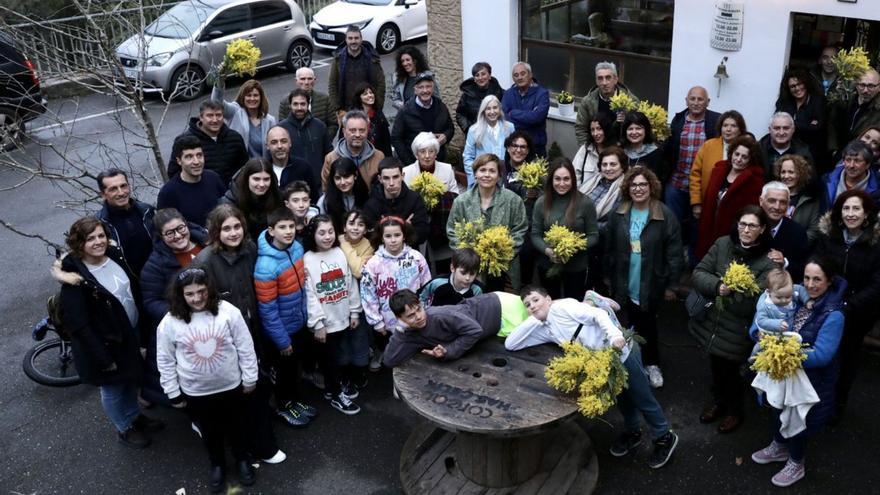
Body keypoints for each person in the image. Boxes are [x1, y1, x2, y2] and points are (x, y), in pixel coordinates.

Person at [505, 286, 679, 470]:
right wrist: (536, 317)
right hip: (604, 365)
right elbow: (511, 343)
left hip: (622, 353)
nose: (532, 306)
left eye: (536, 300)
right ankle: (633, 432)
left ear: (548, 299)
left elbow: (597, 315)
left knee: (642, 398)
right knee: (623, 400)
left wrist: (614, 337)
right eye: (527, 305)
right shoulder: (545, 328)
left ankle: (664, 437)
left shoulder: (563, 308)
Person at [54, 217, 161, 449]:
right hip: (105, 345)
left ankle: (134, 416)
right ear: (78, 242)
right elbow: (80, 326)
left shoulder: (113, 256)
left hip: (127, 334)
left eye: (101, 236)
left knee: (130, 378)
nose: (98, 242)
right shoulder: (75, 279)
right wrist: (103, 358)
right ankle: (124, 427)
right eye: (90, 238)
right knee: (113, 388)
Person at [193, 204, 286, 466]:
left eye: (237, 227)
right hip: (225, 339)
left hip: (254, 329)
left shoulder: (251, 250)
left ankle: (259, 437)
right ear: (216, 231)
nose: (233, 233)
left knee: (257, 383)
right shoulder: (205, 261)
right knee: (241, 393)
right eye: (226, 228)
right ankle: (255, 446)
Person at [156, 268, 259, 492]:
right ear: (180, 294)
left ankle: (242, 459)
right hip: (196, 392)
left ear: (209, 289)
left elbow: (245, 346)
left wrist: (250, 377)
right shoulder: (169, 322)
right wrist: (173, 392)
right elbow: (165, 360)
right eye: (190, 294)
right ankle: (217, 463)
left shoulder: (228, 311)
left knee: (237, 426)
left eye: (201, 291)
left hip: (231, 385)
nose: (196, 298)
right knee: (210, 431)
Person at [750, 258, 846, 488]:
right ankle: (779, 446)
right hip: (783, 375)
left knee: (799, 422)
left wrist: (784, 354)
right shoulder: (795, 295)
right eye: (806, 278)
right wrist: (758, 334)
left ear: (829, 281)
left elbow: (823, 354)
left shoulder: (834, 314)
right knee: (777, 410)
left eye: (817, 279)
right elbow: (761, 322)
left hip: (810, 381)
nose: (810, 284)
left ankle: (796, 462)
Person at [690, 205, 776, 433]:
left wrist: (734, 292)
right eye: (743, 224)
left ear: (763, 229)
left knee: (731, 372)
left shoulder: (769, 262)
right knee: (716, 367)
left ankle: (735, 411)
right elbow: (699, 273)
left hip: (738, 329)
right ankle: (719, 403)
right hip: (713, 323)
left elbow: (751, 303)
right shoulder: (722, 244)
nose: (746, 230)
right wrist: (718, 286)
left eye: (752, 226)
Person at [606, 166, 682, 388]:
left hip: (650, 281)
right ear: (628, 188)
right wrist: (607, 276)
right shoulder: (619, 213)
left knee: (647, 324)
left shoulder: (664, 215)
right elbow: (609, 247)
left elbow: (675, 253)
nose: (638, 189)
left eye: (643, 184)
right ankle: (626, 366)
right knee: (623, 324)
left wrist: (672, 285)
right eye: (634, 185)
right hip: (623, 279)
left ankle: (652, 364)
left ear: (651, 187)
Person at [813, 190, 880, 419]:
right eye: (846, 208)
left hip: (856, 313)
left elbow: (877, 284)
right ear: (839, 213)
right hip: (826, 307)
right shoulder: (828, 236)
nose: (851, 214)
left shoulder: (876, 243)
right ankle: (816, 401)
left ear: (866, 213)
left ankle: (837, 406)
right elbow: (818, 266)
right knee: (822, 354)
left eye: (856, 208)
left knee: (847, 360)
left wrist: (848, 305)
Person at [254, 208, 316, 428]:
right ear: (271, 231)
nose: (288, 231)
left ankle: (294, 401)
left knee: (294, 369)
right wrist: (282, 340)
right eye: (282, 227)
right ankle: (282, 406)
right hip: (282, 331)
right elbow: (267, 310)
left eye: (291, 226)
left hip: (298, 322)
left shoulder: (297, 248)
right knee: (283, 372)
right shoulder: (265, 267)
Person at [302, 214, 365, 415]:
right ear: (313, 234)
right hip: (323, 323)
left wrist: (354, 312)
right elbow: (309, 294)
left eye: (330, 231)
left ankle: (332, 388)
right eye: (322, 233)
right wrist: (318, 323)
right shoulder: (308, 259)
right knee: (329, 359)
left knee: (337, 356)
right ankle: (337, 395)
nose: (327, 236)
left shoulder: (339, 252)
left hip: (342, 317)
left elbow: (350, 283)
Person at [384, 289, 529, 367]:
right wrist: (399, 331)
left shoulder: (441, 315)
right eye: (410, 316)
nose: (419, 317)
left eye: (419, 310)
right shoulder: (408, 332)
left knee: (544, 319)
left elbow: (474, 330)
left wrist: (449, 351)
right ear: (400, 318)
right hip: (494, 325)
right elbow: (390, 360)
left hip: (502, 309)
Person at [446, 153, 529, 291]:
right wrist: (470, 255)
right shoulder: (461, 201)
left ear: (499, 175)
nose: (487, 175)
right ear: (475, 174)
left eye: (492, 171)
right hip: (471, 269)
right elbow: (452, 231)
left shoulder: (513, 200)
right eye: (482, 170)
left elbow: (520, 230)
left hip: (505, 267)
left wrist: (501, 253)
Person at [360, 216, 432, 369]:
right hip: (387, 322)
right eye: (388, 236)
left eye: (397, 235)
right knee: (393, 356)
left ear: (404, 235)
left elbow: (427, 286)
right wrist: (376, 321)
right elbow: (368, 295)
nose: (393, 240)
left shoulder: (416, 258)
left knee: (416, 357)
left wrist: (425, 310)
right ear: (382, 237)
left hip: (414, 317)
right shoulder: (373, 264)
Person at [531, 157, 599, 301]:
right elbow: (535, 234)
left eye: (566, 179)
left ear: (573, 180)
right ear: (551, 180)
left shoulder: (585, 203)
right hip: (548, 266)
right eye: (557, 179)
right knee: (551, 306)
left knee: (574, 307)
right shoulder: (541, 203)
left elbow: (594, 235)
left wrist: (573, 246)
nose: (562, 183)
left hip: (576, 267)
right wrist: (548, 251)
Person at [694, 135, 765, 260]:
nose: (738, 159)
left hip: (731, 233)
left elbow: (751, 212)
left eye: (744, 157)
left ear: (750, 159)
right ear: (731, 153)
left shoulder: (754, 180)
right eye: (736, 154)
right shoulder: (718, 170)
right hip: (708, 227)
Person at [141, 208, 208, 329]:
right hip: (186, 324)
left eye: (180, 228)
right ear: (161, 236)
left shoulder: (208, 244)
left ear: (186, 225)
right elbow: (151, 302)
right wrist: (181, 313)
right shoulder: (155, 265)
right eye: (170, 233)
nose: (178, 235)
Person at [665, 86, 720, 229]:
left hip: (703, 185)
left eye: (700, 99)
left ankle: (693, 252)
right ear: (686, 101)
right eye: (692, 99)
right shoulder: (678, 120)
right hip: (677, 182)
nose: (696, 102)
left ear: (707, 102)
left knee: (698, 226)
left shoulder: (716, 121)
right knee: (672, 223)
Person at [167, 99, 249, 183]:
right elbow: (174, 173)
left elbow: (244, 168)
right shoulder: (184, 140)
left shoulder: (234, 138)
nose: (215, 120)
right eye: (210, 116)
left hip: (231, 192)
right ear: (201, 117)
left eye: (218, 115)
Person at [582, 146, 629, 292]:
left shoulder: (625, 190)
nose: (608, 168)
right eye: (604, 164)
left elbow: (613, 224)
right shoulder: (593, 181)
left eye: (613, 164)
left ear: (623, 167)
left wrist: (585, 226)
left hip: (603, 244)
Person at [95, 168, 155, 276]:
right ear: (103, 194)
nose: (121, 192)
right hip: (129, 285)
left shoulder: (147, 211)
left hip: (159, 277)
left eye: (123, 186)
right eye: (113, 189)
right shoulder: (99, 225)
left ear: (129, 186)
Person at [689, 110, 747, 219]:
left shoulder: (746, 148)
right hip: (709, 203)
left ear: (740, 130)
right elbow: (695, 175)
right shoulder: (708, 146)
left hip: (736, 206)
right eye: (725, 125)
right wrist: (696, 202)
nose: (728, 129)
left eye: (733, 126)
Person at [157, 136, 226, 228]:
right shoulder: (168, 193)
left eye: (199, 155)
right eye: (189, 157)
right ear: (179, 161)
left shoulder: (213, 178)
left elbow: (227, 210)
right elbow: (164, 229)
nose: (196, 161)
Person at [391, 71, 455, 165]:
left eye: (428, 86)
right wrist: (410, 162)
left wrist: (446, 136)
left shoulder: (441, 106)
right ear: (415, 90)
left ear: (433, 88)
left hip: (438, 161)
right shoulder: (405, 111)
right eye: (421, 87)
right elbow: (396, 138)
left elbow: (450, 128)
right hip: (414, 162)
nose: (425, 91)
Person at [364, 157, 431, 247]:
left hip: (411, 252)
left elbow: (423, 233)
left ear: (402, 176)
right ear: (380, 179)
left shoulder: (415, 199)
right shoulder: (372, 204)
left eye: (395, 177)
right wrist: (405, 227)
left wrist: (387, 230)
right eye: (386, 178)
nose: (391, 183)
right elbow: (369, 237)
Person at [501, 132, 540, 287]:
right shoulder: (500, 168)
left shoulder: (535, 172)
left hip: (526, 225)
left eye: (523, 147)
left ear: (528, 150)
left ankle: (524, 287)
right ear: (508, 148)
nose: (518, 150)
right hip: (502, 223)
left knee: (526, 252)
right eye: (514, 146)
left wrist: (535, 194)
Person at [747, 268, 808, 362]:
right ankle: (754, 361)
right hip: (769, 333)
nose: (784, 300)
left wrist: (807, 300)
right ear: (768, 292)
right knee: (759, 347)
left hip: (788, 335)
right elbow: (761, 320)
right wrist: (777, 324)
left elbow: (800, 290)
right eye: (779, 297)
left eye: (788, 296)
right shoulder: (765, 305)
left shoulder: (788, 289)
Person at [575, 61, 639, 146]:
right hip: (597, 149)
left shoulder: (631, 101)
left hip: (624, 149)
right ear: (596, 81)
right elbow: (581, 128)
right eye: (600, 78)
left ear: (615, 79)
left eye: (608, 78)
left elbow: (640, 128)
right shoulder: (587, 102)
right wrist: (588, 149)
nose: (604, 83)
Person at [211, 78, 276, 158]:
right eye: (248, 95)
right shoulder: (235, 112)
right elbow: (216, 103)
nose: (252, 99)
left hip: (262, 168)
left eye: (255, 95)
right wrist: (219, 82)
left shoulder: (270, 120)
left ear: (261, 98)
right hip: (239, 167)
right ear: (243, 97)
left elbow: (274, 148)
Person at [321, 110, 385, 192]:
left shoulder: (378, 156)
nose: (357, 135)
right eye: (353, 130)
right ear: (344, 132)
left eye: (362, 130)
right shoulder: (331, 158)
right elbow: (326, 189)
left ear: (367, 131)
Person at [220, 158, 283, 241]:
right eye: (256, 179)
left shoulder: (277, 197)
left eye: (266, 179)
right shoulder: (229, 202)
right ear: (246, 179)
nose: (262, 184)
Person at [278, 89, 332, 184]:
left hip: (318, 183)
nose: (299, 108)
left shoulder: (320, 126)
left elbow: (329, 153)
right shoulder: (281, 129)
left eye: (303, 104)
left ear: (308, 105)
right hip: (291, 185)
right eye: (295, 104)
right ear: (290, 106)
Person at [775, 68, 826, 165]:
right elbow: (777, 123)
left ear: (806, 83)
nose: (797, 88)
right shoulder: (783, 103)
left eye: (799, 84)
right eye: (793, 86)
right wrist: (806, 125)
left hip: (810, 154)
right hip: (786, 151)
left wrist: (790, 124)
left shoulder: (818, 101)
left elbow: (816, 129)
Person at [328, 25, 385, 113]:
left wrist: (378, 106)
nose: (353, 41)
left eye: (356, 38)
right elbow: (333, 84)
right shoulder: (338, 59)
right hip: (346, 110)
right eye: (350, 38)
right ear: (346, 40)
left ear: (361, 39)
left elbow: (381, 84)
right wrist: (337, 109)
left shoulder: (372, 58)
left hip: (368, 109)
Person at [760, 181, 809, 283]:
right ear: (761, 201)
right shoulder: (749, 224)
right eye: (772, 201)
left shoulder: (797, 232)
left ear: (788, 205)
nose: (777, 207)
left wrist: (785, 262)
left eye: (783, 202)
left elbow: (803, 268)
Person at [463, 95, 515, 188]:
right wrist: (475, 177)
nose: (492, 112)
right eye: (488, 109)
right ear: (483, 111)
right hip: (482, 179)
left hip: (503, 180)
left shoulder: (509, 127)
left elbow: (513, 154)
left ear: (499, 109)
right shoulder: (474, 130)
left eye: (495, 108)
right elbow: (468, 157)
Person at [501, 62, 550, 157]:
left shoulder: (542, 94)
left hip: (535, 147)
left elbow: (537, 118)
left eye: (523, 73)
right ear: (513, 78)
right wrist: (529, 116)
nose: (519, 77)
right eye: (516, 75)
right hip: (514, 146)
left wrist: (513, 113)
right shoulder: (508, 94)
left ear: (530, 75)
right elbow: (504, 118)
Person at [828, 68, 880, 156]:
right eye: (862, 85)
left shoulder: (877, 110)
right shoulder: (846, 99)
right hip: (838, 153)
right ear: (856, 84)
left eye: (871, 86)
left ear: (879, 87)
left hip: (860, 159)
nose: (865, 90)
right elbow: (832, 123)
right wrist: (833, 149)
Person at [819, 140, 880, 211]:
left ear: (867, 164)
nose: (851, 165)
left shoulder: (878, 188)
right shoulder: (826, 181)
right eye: (848, 160)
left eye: (857, 161)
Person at [277, 67, 337, 139]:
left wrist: (323, 141)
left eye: (309, 79)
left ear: (314, 80)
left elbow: (333, 124)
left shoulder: (325, 99)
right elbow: (282, 128)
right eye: (302, 79)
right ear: (296, 81)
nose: (306, 82)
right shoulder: (285, 102)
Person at [775, 155, 821, 243]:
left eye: (791, 172)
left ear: (800, 174)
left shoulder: (811, 200)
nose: (786, 176)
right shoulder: (772, 195)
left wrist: (794, 245)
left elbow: (813, 231)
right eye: (783, 172)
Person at [317, 157, 370, 232]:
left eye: (346, 177)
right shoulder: (325, 201)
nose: (342, 182)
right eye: (338, 178)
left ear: (355, 175)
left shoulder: (365, 196)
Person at [419, 247, 484, 307]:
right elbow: (421, 299)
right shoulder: (437, 283)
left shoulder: (477, 289)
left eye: (472, 274)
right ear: (452, 268)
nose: (467, 278)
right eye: (463, 273)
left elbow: (477, 309)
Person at [266, 126, 319, 198]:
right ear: (267, 146)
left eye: (283, 141)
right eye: (274, 142)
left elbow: (313, 198)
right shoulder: (263, 169)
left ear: (290, 143)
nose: (279, 146)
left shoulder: (303, 167)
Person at [758, 112, 813, 180]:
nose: (781, 132)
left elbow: (810, 183)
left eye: (786, 128)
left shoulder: (804, 153)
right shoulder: (758, 151)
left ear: (793, 129)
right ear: (770, 130)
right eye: (777, 128)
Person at [456, 61, 505, 133]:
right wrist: (468, 129)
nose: (480, 78)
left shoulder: (501, 93)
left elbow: (505, 113)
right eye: (477, 75)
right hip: (475, 135)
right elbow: (460, 114)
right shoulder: (467, 95)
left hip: (496, 134)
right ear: (474, 79)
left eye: (483, 74)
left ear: (489, 75)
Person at [574, 112, 617, 191]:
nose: (595, 133)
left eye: (599, 129)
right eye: (592, 130)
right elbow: (575, 174)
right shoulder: (585, 149)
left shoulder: (616, 151)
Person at [348, 82, 392, 157]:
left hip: (378, 156)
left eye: (371, 93)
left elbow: (386, 141)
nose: (370, 95)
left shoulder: (379, 115)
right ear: (359, 97)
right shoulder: (352, 116)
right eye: (365, 94)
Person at [622, 111, 667, 183]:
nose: (634, 132)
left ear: (646, 130)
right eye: (630, 129)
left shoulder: (656, 153)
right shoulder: (621, 152)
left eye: (638, 128)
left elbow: (658, 183)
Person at [391, 46, 435, 111]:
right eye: (402, 61)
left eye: (408, 60)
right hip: (408, 116)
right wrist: (404, 106)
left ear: (415, 61)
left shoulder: (427, 75)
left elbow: (437, 98)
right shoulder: (398, 78)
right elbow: (395, 99)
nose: (405, 63)